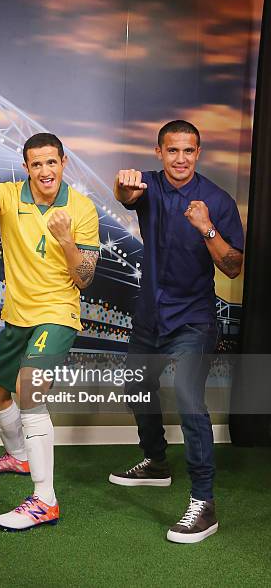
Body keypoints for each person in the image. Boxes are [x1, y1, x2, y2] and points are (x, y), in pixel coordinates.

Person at [0, 133, 99, 530]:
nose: (45, 171)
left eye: (51, 162)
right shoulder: (11, 195)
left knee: (30, 393)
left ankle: (45, 501)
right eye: (36, 164)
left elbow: (85, 279)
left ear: (63, 163)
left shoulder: (82, 209)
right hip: (18, 315)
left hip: (58, 313)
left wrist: (66, 241)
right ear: (26, 167)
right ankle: (20, 456)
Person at [109, 120, 244, 544]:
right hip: (150, 317)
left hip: (193, 320)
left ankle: (203, 503)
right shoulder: (147, 186)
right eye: (172, 151)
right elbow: (125, 194)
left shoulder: (217, 201)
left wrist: (206, 228)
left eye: (188, 151)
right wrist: (123, 186)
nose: (180, 159)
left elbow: (234, 266)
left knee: (188, 400)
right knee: (135, 387)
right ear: (159, 151)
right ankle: (155, 461)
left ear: (198, 152)